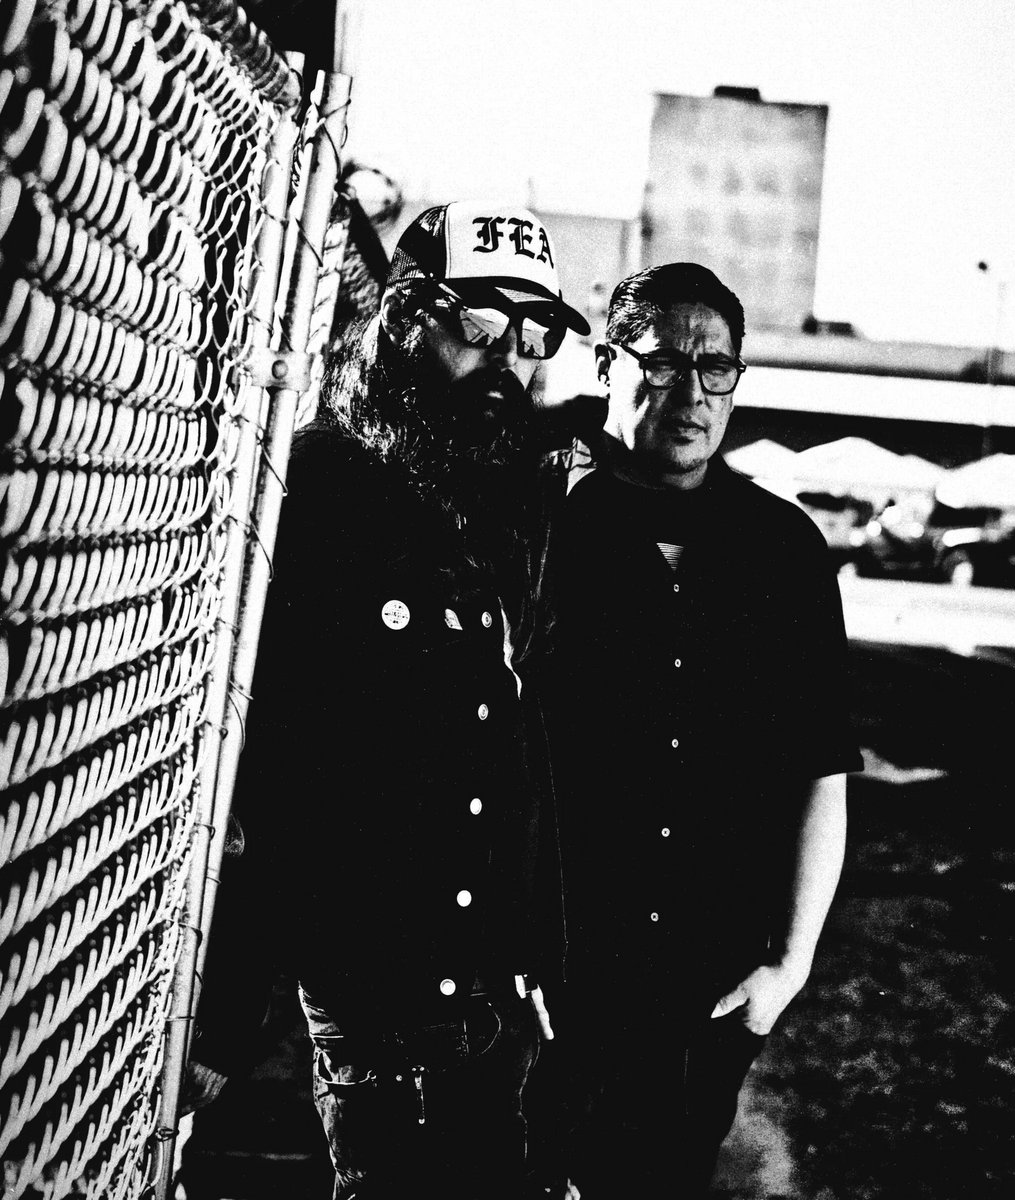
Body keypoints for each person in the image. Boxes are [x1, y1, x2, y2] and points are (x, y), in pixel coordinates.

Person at [207, 201, 589, 1200]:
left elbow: (512, 742)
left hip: (495, 1002)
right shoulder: (321, 486)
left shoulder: (495, 498)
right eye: (484, 326)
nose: (510, 363)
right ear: (411, 318)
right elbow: (267, 760)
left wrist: (540, 958)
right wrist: (222, 1014)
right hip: (380, 1011)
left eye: (535, 338)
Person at [530, 262, 862, 1197]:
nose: (692, 393)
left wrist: (787, 967)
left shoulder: (782, 549)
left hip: (705, 996)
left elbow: (820, 770)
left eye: (716, 368)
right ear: (607, 364)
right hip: (547, 985)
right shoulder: (537, 519)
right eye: (664, 362)